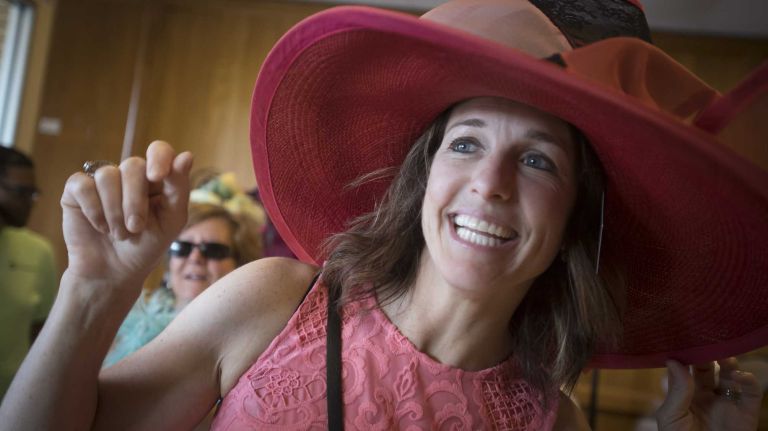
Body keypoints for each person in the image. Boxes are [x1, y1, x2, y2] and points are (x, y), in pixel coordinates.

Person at [1, 0, 767, 429]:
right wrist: (92, 294)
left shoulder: (549, 424)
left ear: (575, 217)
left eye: (538, 159)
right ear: (422, 176)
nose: (491, 183)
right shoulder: (275, 302)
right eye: (465, 143)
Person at [103, 172, 265, 367]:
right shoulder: (124, 326)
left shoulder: (252, 341)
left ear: (240, 264)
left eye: (213, 250)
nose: (195, 258)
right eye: (182, 248)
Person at [0, 146, 58, 399]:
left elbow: (41, 334)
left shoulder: (38, 252)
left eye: (33, 193)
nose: (30, 202)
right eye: (22, 192)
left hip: (12, 400)